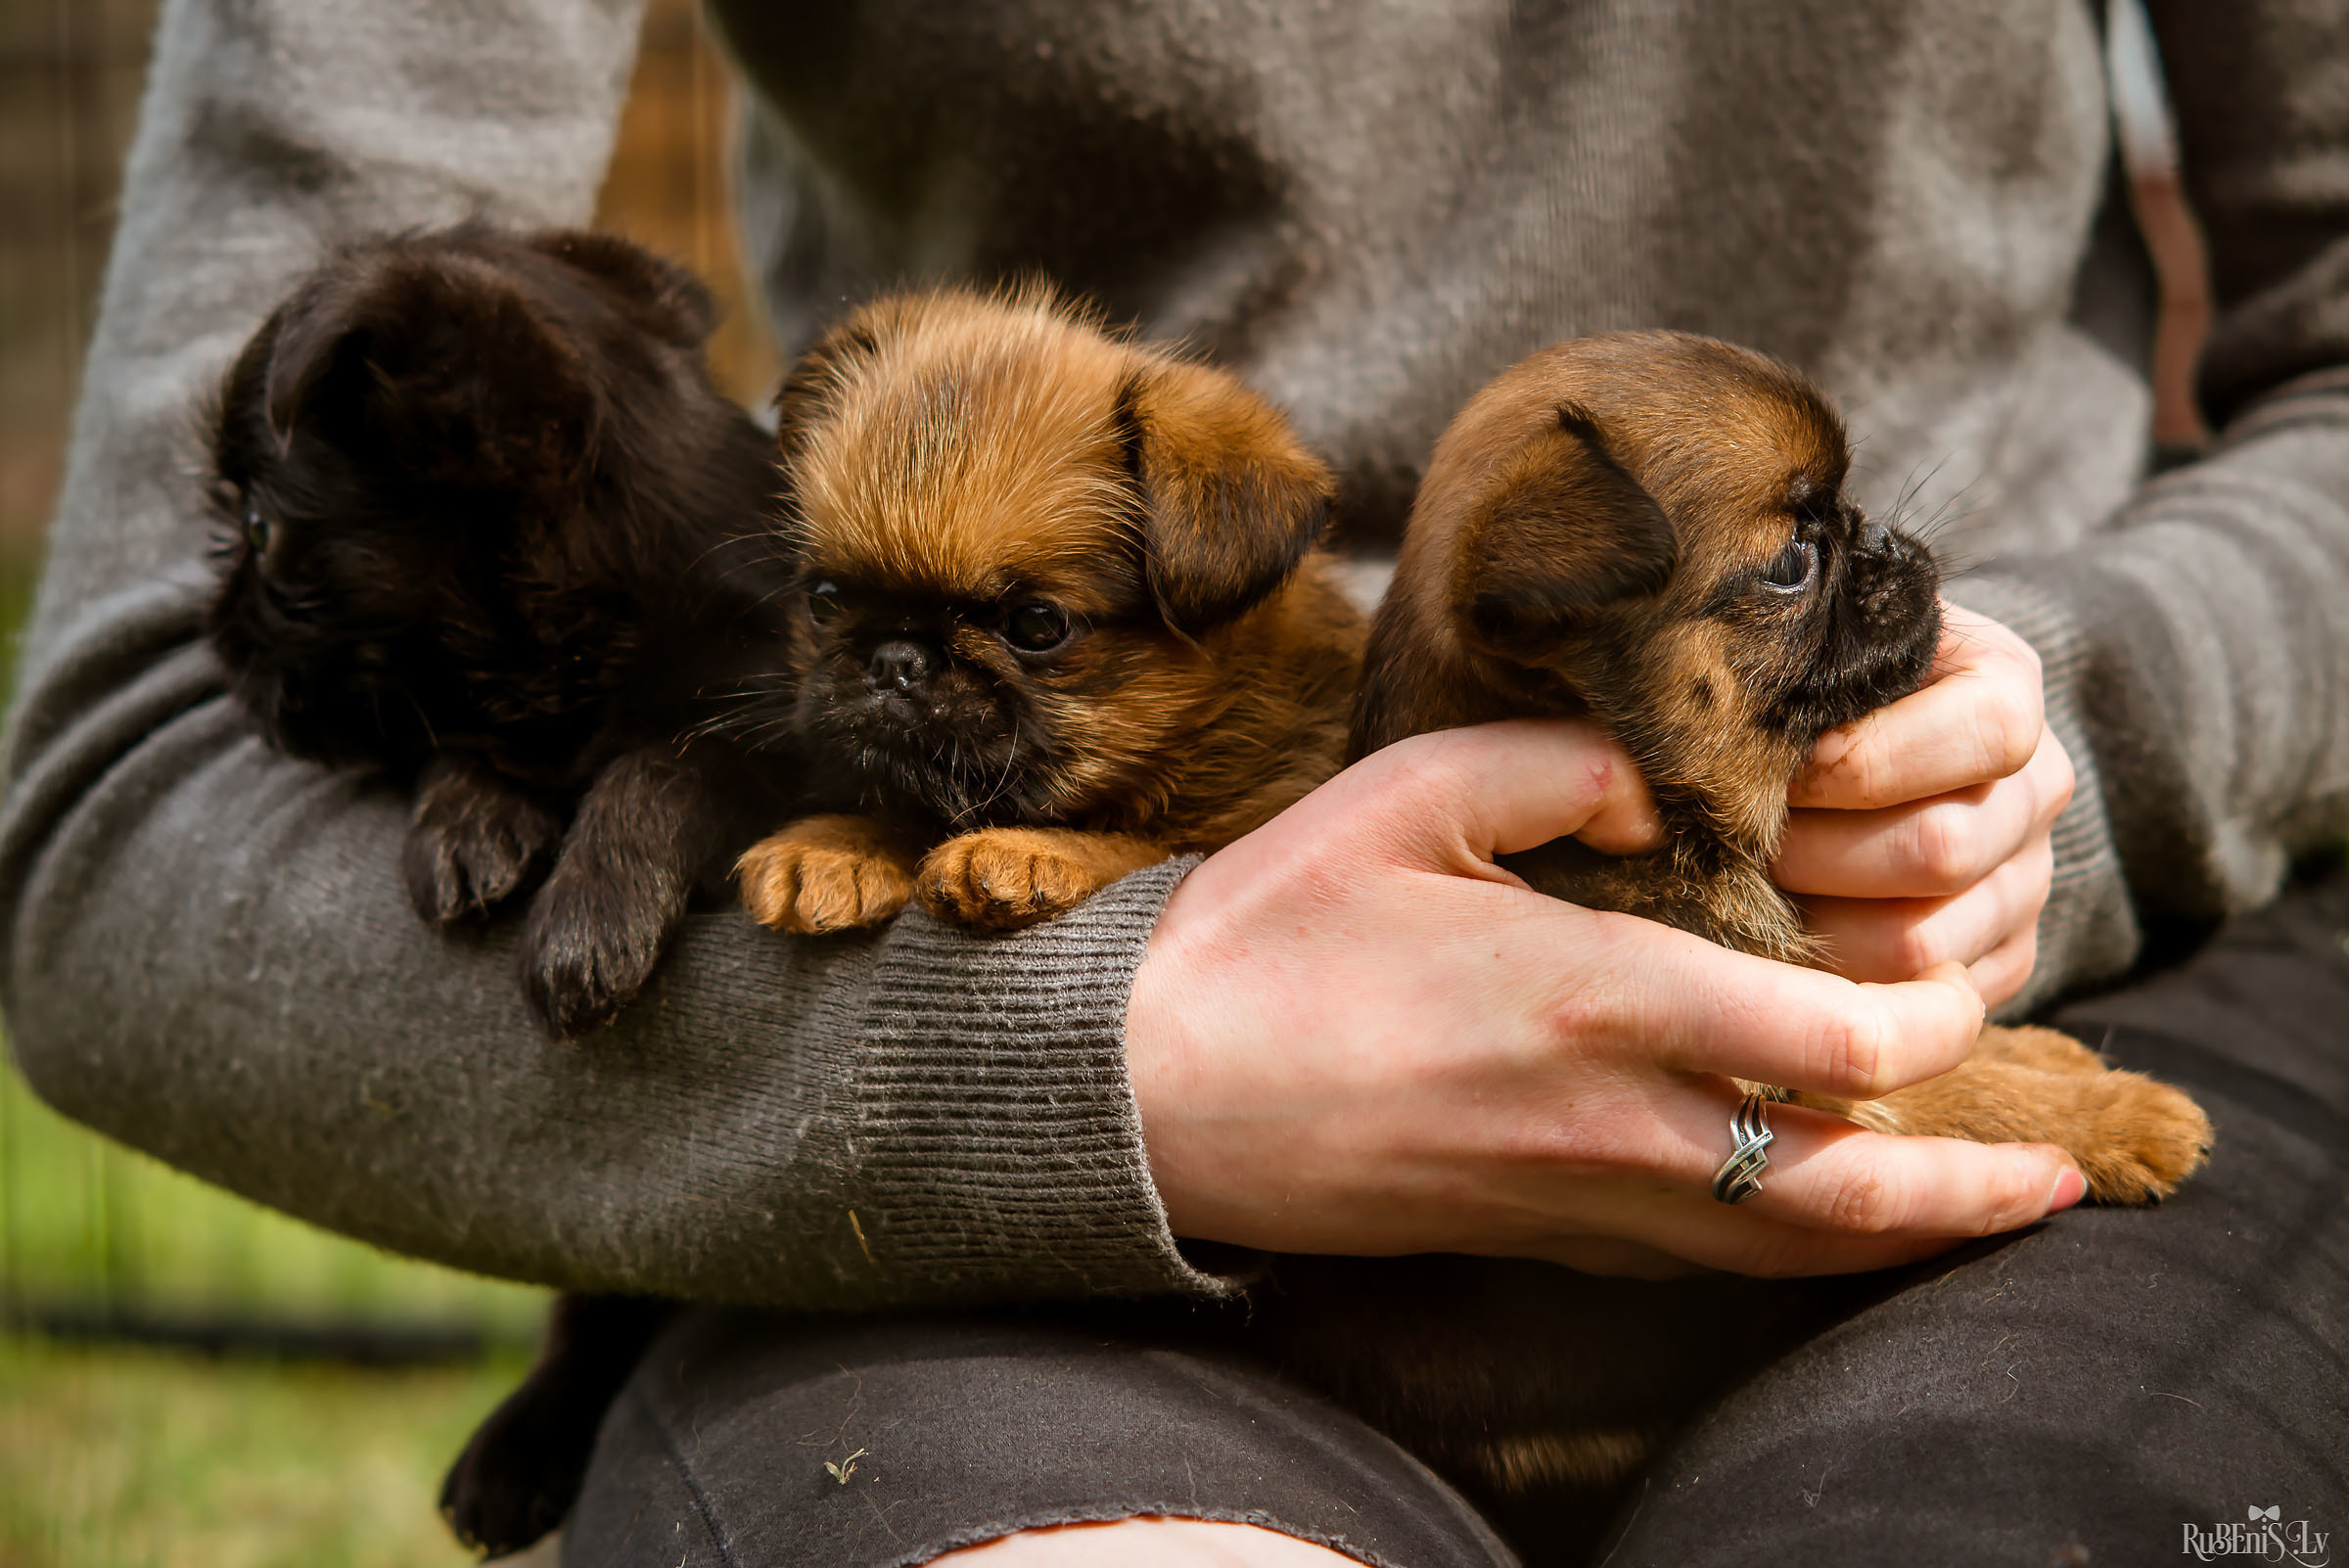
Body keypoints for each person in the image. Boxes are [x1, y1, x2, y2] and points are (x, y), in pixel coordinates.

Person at [3, 1, 2343, 1563]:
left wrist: (2063, 736)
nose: (903, 672)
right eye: (854, 618)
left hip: (2086, 967)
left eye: (1015, 631)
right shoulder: (863, 661)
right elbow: (117, 807)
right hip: (1014, 1235)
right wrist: (1075, 1063)